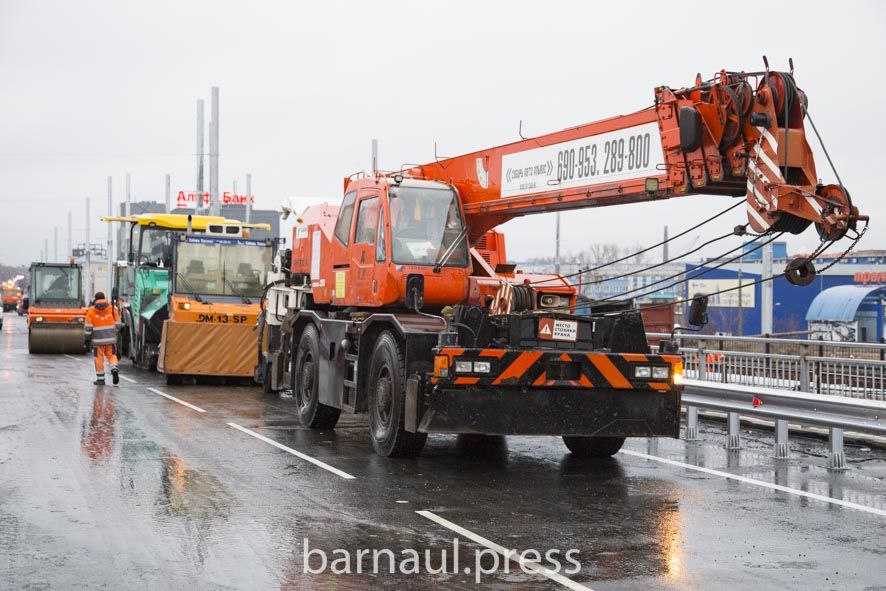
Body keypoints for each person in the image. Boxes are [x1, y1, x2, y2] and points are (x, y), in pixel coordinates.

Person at [84, 291, 121, 386]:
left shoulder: (91, 311)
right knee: (112, 355)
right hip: (111, 339)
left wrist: (87, 339)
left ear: (95, 300)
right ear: (104, 298)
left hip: (97, 341)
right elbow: (118, 325)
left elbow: (88, 327)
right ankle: (114, 369)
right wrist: (114, 333)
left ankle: (100, 379)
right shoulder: (113, 309)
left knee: (98, 358)